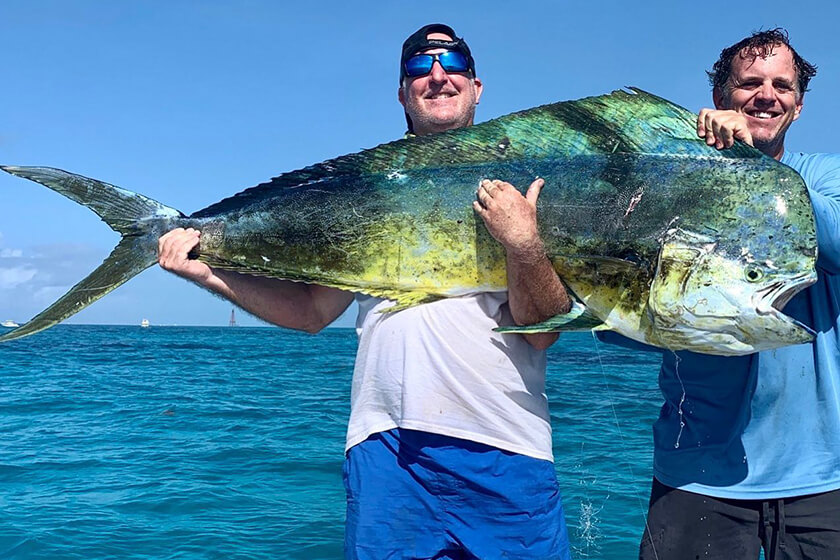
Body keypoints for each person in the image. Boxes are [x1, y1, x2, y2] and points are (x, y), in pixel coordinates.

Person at [158, 24, 573, 559]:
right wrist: (205, 272)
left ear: (477, 86)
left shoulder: (528, 182)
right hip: (387, 452)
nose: (438, 76)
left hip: (507, 450)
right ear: (403, 92)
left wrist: (524, 245)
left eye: (453, 63)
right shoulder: (365, 190)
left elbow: (541, 335)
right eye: (420, 68)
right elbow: (311, 312)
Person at [635, 29, 840, 560]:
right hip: (698, 478)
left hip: (823, 479)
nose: (766, 95)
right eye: (750, 83)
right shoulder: (679, 185)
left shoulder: (825, 175)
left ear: (797, 105)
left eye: (782, 85)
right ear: (722, 98)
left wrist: (753, 166)